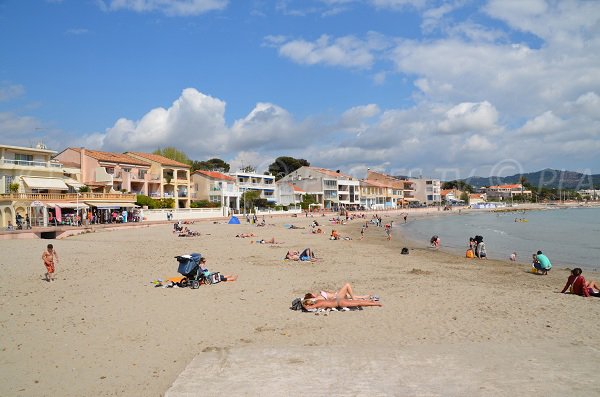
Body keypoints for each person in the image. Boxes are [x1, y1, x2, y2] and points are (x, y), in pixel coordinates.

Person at [307, 283, 376, 302]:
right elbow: (310, 301)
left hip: (337, 295)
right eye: (312, 293)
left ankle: (363, 297)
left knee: (348, 295)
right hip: (336, 298)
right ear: (311, 296)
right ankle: (355, 300)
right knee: (347, 285)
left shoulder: (319, 295)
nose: (313, 293)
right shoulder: (318, 298)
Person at [302, 296, 382, 310]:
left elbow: (307, 308)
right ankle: (371, 302)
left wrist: (303, 305)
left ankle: (375, 304)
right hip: (337, 299)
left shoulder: (317, 304)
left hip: (339, 303)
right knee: (357, 302)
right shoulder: (318, 301)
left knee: (358, 303)